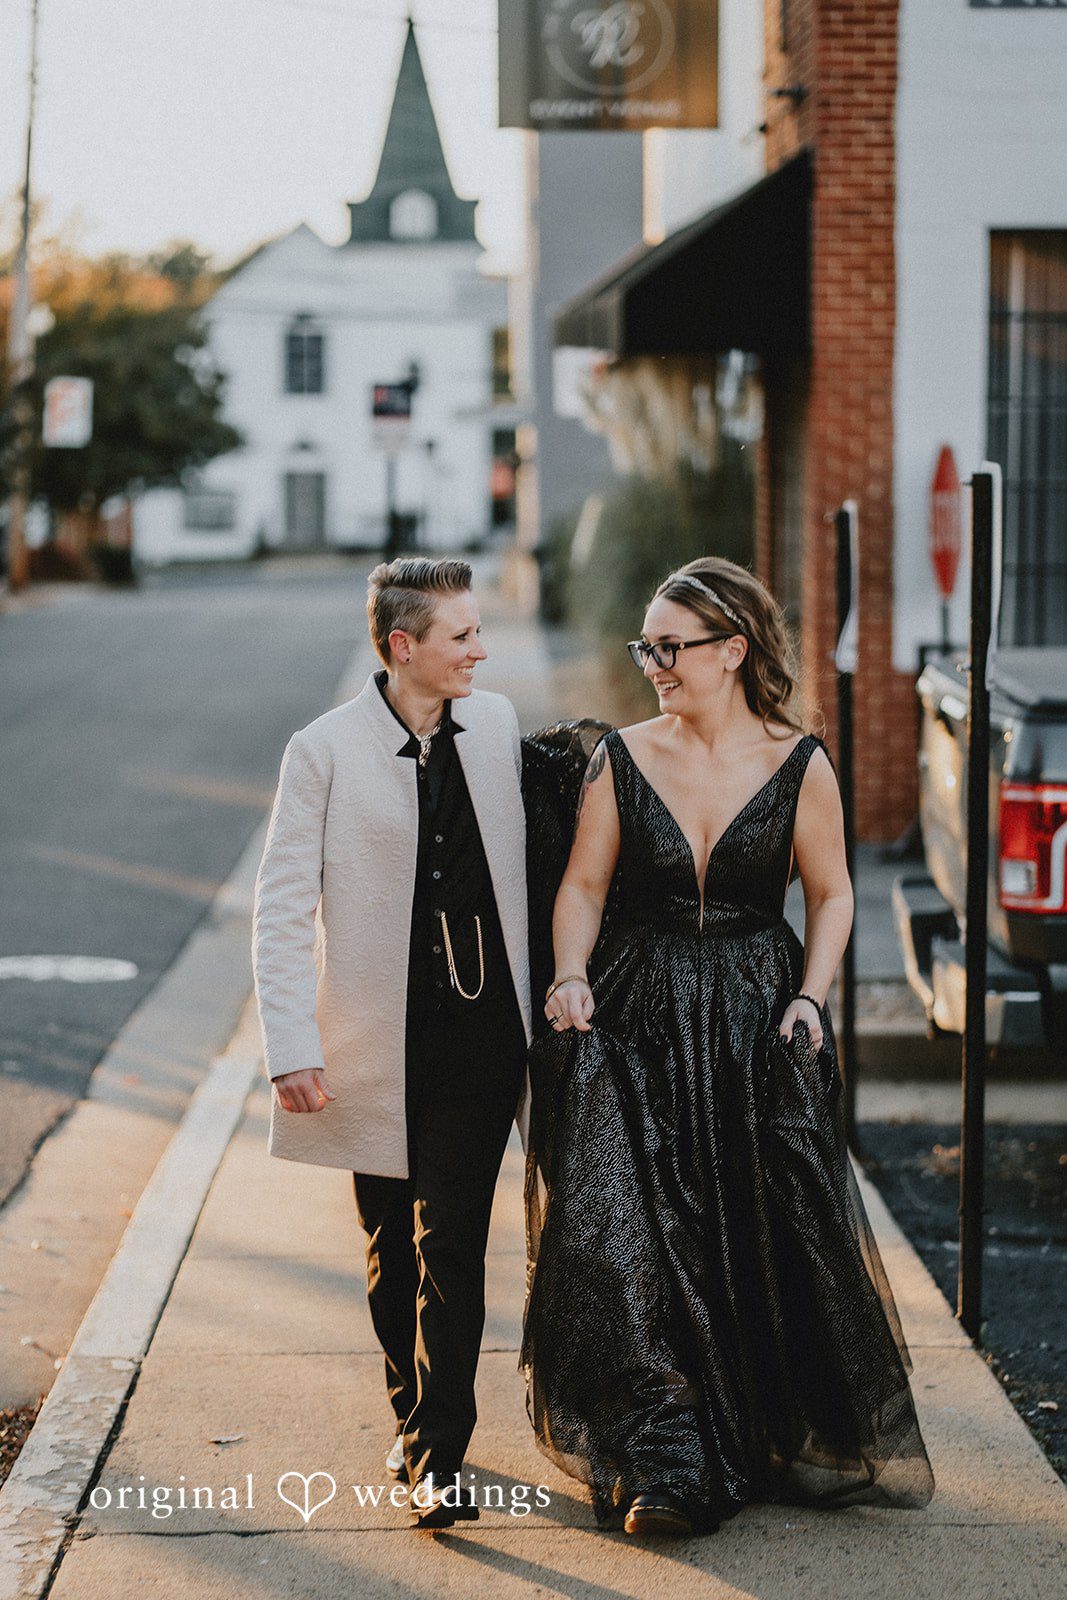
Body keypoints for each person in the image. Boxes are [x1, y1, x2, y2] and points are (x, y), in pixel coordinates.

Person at [520, 557, 935, 1537]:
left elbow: (829, 893)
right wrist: (569, 970)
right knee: (633, 1225)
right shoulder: (619, 755)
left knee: (757, 1219)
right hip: (634, 1008)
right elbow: (581, 885)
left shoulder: (802, 763)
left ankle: (745, 1431)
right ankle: (663, 1455)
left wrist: (810, 997)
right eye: (646, 646)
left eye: (670, 646)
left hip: (755, 1011)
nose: (653, 662)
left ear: (732, 650)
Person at [252, 557, 531, 1530]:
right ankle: (409, 1415)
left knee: (448, 1237)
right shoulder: (321, 751)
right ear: (401, 646)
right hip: (373, 1042)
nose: (480, 650)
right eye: (461, 636)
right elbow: (282, 907)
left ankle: (435, 1456)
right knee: (388, 1249)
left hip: (482, 1038)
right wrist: (291, 1043)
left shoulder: (493, 725)